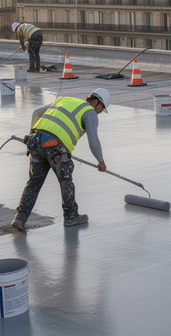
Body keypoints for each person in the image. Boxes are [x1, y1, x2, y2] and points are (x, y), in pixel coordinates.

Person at [12, 88, 109, 232]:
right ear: (95, 102)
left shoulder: (64, 99)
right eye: (102, 108)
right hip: (55, 147)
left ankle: (20, 218)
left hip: (36, 141)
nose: (100, 111)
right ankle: (70, 217)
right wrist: (101, 161)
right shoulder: (90, 112)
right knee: (66, 181)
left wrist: (32, 134)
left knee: (33, 183)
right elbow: (94, 141)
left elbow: (36, 113)